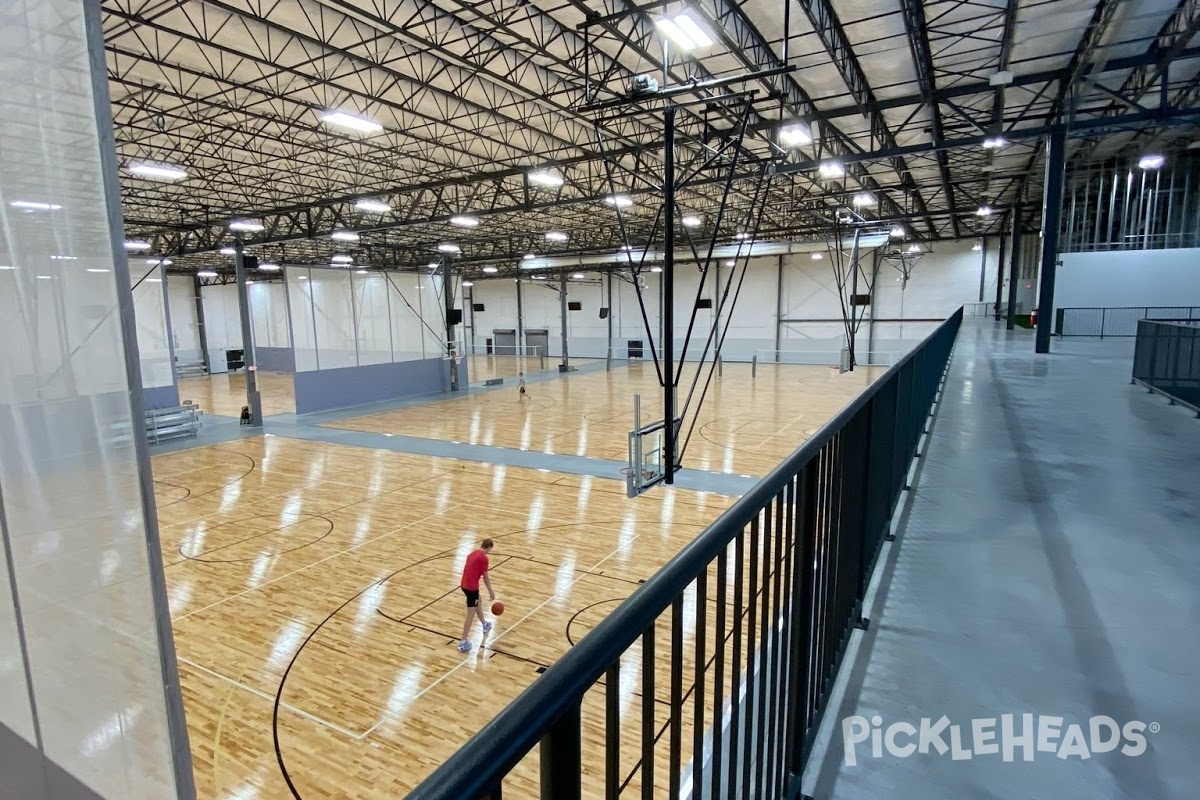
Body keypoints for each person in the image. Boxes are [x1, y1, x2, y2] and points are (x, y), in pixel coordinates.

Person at [458, 539, 496, 652]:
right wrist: (491, 591)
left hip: (464, 585)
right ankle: (463, 642)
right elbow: (485, 577)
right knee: (470, 615)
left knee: (478, 601)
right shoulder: (484, 558)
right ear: (489, 547)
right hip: (471, 588)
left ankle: (485, 624)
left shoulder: (472, 553)